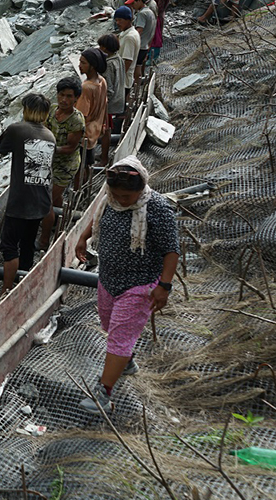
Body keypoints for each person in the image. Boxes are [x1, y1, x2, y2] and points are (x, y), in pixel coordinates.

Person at [74, 157, 180, 414]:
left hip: (139, 284)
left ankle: (104, 394)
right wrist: (82, 238)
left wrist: (164, 286)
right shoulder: (110, 199)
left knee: (119, 337)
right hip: (109, 279)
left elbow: (171, 250)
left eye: (127, 195)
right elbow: (97, 218)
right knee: (110, 326)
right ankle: (126, 361)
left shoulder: (156, 208)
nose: (121, 199)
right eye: (117, 194)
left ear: (141, 189)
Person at [0, 94, 55, 293]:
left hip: (20, 201)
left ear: (27, 109)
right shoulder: (50, 136)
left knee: (9, 246)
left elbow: (0, 148)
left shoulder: (17, 129)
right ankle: (24, 285)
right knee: (28, 244)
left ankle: (5, 290)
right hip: (41, 201)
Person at [39, 79, 84, 250]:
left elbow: (71, 148)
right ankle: (57, 222)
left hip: (66, 165)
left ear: (76, 99)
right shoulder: (52, 111)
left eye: (69, 96)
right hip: (51, 160)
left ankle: (44, 241)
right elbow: (45, 128)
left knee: (46, 202)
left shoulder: (76, 120)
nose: (64, 99)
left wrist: (48, 148)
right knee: (55, 197)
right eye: (61, 95)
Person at [98, 34, 125, 165]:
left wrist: (101, 105)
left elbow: (108, 89)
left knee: (105, 130)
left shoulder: (108, 64)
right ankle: (103, 154)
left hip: (109, 103)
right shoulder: (118, 58)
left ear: (104, 48)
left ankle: (103, 158)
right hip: (119, 98)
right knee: (106, 129)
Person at [128, 0, 156, 86]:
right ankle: (138, 84)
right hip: (145, 44)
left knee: (136, 67)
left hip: (139, 45)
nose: (132, 6)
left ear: (139, 1)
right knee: (139, 65)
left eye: (133, 3)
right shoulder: (150, 12)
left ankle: (136, 85)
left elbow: (139, 30)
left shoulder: (142, 14)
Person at [115, 6, 141, 109]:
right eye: (116, 20)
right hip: (126, 78)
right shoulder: (129, 33)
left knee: (121, 109)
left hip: (124, 80)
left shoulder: (129, 37)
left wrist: (117, 79)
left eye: (120, 20)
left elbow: (127, 61)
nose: (117, 23)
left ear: (128, 20)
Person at [149, 0, 174, 66]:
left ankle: (154, 56)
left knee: (156, 36)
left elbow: (160, 7)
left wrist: (154, 16)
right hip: (159, 15)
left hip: (158, 15)